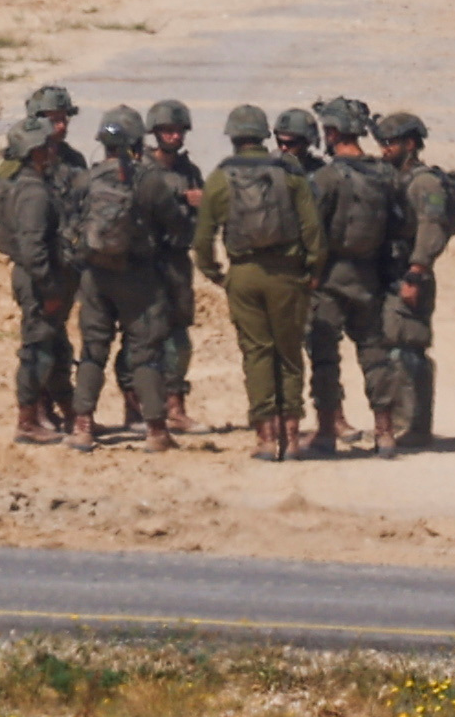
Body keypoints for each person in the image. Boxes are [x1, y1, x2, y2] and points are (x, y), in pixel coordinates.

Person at [200, 103, 319, 459]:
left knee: (256, 352)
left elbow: (202, 238)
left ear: (233, 137)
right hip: (287, 274)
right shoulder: (290, 171)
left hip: (244, 275)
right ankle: (292, 435)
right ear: (265, 135)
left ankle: (266, 437)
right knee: (290, 353)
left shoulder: (220, 177)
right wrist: (312, 268)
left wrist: (215, 274)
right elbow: (312, 228)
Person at [69, 106, 176, 446]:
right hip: (138, 279)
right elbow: (175, 223)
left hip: (95, 277)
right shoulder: (148, 180)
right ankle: (157, 430)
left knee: (92, 351)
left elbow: (70, 225)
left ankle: (82, 426)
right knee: (145, 353)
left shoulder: (86, 179)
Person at [0, 84, 84, 443]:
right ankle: (32, 416)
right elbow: (25, 236)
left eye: (63, 119)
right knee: (40, 345)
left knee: (55, 345)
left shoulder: (70, 162)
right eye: (51, 120)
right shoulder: (24, 181)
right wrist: (46, 281)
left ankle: (64, 412)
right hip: (40, 272)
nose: (59, 127)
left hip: (61, 267)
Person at [304, 98, 400, 458]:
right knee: (376, 355)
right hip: (371, 276)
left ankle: (327, 432)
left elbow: (312, 231)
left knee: (325, 356)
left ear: (331, 132)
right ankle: (385, 432)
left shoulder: (326, 178)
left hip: (329, 278)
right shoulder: (386, 176)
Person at [377, 110, 455, 451]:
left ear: (411, 143)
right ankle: (400, 422)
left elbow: (432, 229)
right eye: (381, 143)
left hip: (410, 274)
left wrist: (417, 271)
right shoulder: (393, 178)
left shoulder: (425, 183)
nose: (384, 149)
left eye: (390, 142)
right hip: (390, 273)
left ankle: (415, 427)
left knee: (408, 348)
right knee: (389, 347)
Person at [136, 98, 209, 440]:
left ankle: (176, 406)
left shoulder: (188, 171)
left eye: (177, 130)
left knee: (179, 337)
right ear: (154, 133)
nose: (172, 135)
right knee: (146, 337)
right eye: (166, 130)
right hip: (147, 262)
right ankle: (141, 408)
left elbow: (205, 216)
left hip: (178, 260)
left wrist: (201, 203)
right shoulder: (142, 170)